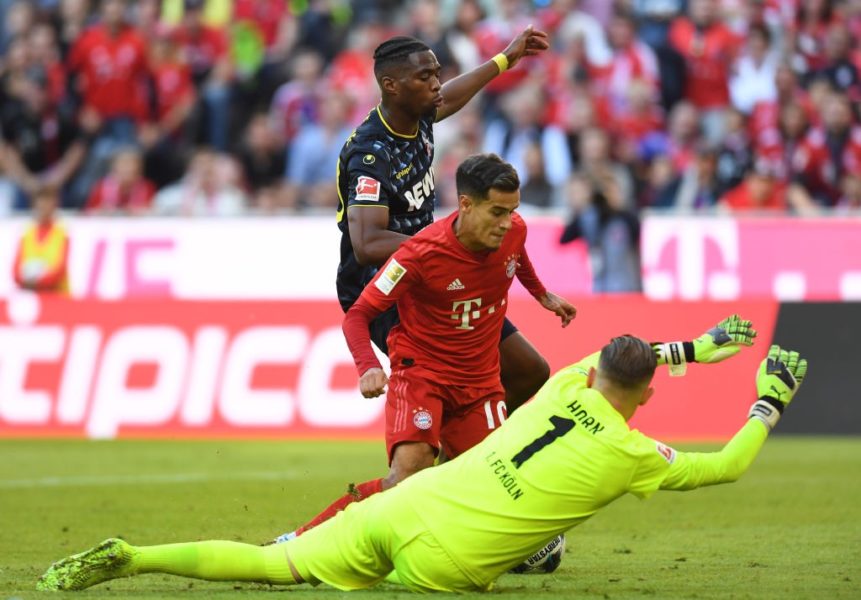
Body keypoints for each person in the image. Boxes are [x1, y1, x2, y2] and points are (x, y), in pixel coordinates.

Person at [37, 317, 809, 593]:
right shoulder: (636, 453)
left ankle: (136, 558)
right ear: (643, 393)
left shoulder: (564, 381)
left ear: (596, 372)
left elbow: (619, 358)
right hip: (444, 563)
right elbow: (726, 467)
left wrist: (691, 348)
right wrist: (765, 399)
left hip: (405, 501)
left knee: (272, 566)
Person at [281, 154, 576, 539]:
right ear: (466, 205)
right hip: (424, 376)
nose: (507, 223)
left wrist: (542, 294)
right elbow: (358, 315)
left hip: (481, 383)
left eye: (513, 211)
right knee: (406, 479)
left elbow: (518, 258)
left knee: (492, 486)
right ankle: (302, 540)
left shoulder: (514, 230)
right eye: (497, 212)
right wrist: (368, 365)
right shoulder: (420, 254)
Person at [335, 29, 552, 420]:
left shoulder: (419, 115)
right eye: (425, 77)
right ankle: (430, 459)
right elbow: (367, 242)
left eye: (436, 73)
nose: (436, 84)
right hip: (386, 286)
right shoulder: (370, 155)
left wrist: (505, 59)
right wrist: (445, 243)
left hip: (433, 270)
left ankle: (455, 455)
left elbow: (451, 95)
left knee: (529, 371)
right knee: (444, 391)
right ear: (391, 85)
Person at [12, 187, 70, 295]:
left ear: (55, 205)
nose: (44, 207)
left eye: (48, 202)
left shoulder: (62, 233)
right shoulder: (27, 234)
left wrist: (38, 282)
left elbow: (60, 269)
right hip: (32, 296)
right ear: (35, 205)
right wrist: (27, 281)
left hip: (56, 296)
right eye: (41, 202)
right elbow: (16, 269)